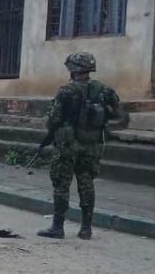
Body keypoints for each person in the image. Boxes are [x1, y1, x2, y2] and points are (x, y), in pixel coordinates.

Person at [36, 52, 127, 241]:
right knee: (86, 183)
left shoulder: (66, 92)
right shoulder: (103, 90)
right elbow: (118, 113)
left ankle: (57, 227)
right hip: (91, 143)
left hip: (67, 145)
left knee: (61, 184)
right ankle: (86, 228)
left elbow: (54, 119)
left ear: (72, 70)